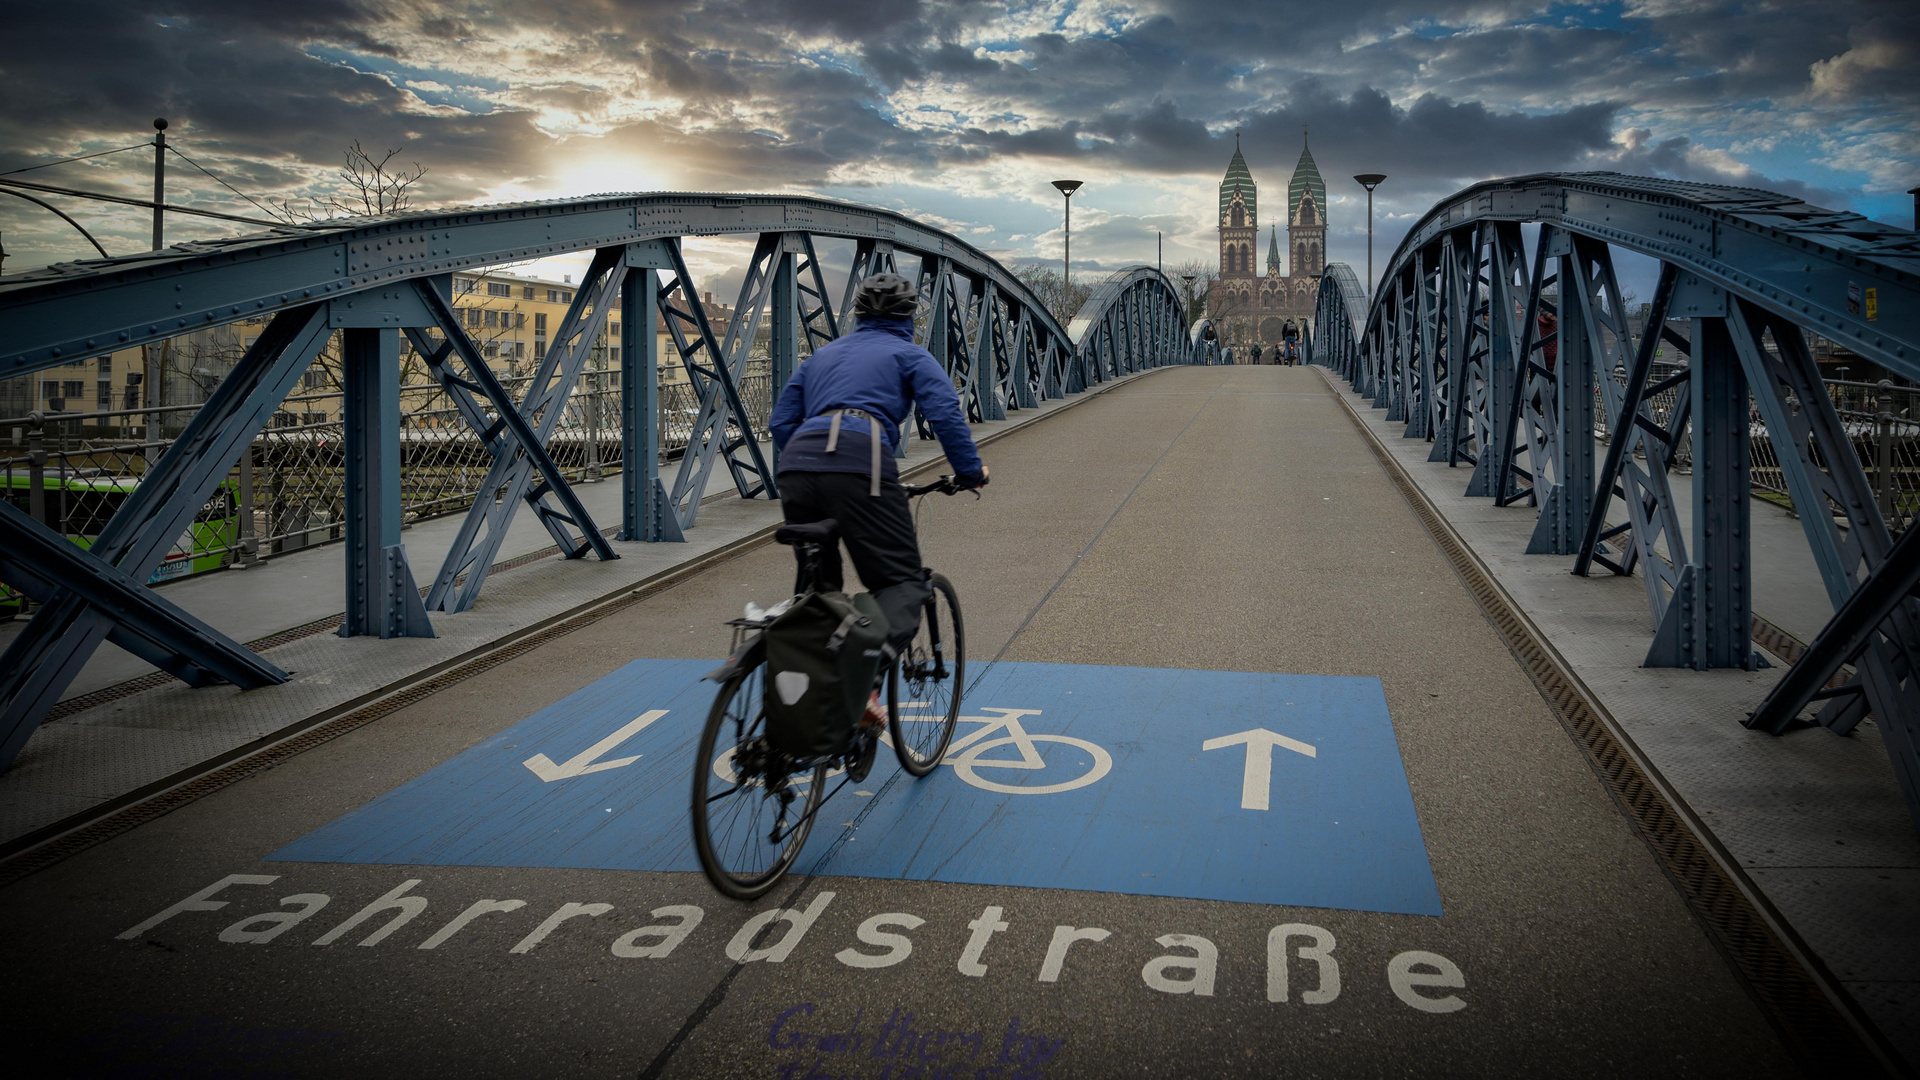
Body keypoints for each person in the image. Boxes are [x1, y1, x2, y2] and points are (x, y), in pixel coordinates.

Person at [768, 272, 989, 734]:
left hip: (795, 464)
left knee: (819, 598)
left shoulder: (823, 355)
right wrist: (970, 472)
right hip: (859, 465)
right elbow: (945, 412)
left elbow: (781, 420)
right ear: (911, 317)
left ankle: (800, 708)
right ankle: (861, 684)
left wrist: (809, 467)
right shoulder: (909, 353)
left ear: (858, 315)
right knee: (903, 585)